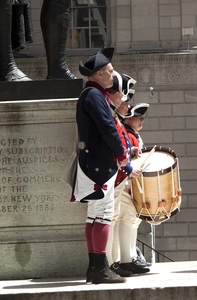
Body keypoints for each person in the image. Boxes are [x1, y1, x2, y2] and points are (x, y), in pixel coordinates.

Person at [73, 47, 129, 284]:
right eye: (110, 71)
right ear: (98, 75)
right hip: (100, 164)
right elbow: (107, 128)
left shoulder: (92, 94)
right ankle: (99, 268)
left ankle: (96, 267)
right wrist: (121, 153)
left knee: (94, 216)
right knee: (103, 215)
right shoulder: (94, 96)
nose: (113, 74)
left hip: (93, 163)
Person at [104, 72, 147, 277]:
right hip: (115, 177)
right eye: (124, 99)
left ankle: (122, 261)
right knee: (113, 220)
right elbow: (113, 148)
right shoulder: (113, 120)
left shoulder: (117, 121)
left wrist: (130, 153)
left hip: (121, 177)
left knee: (123, 219)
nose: (127, 105)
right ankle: (113, 263)